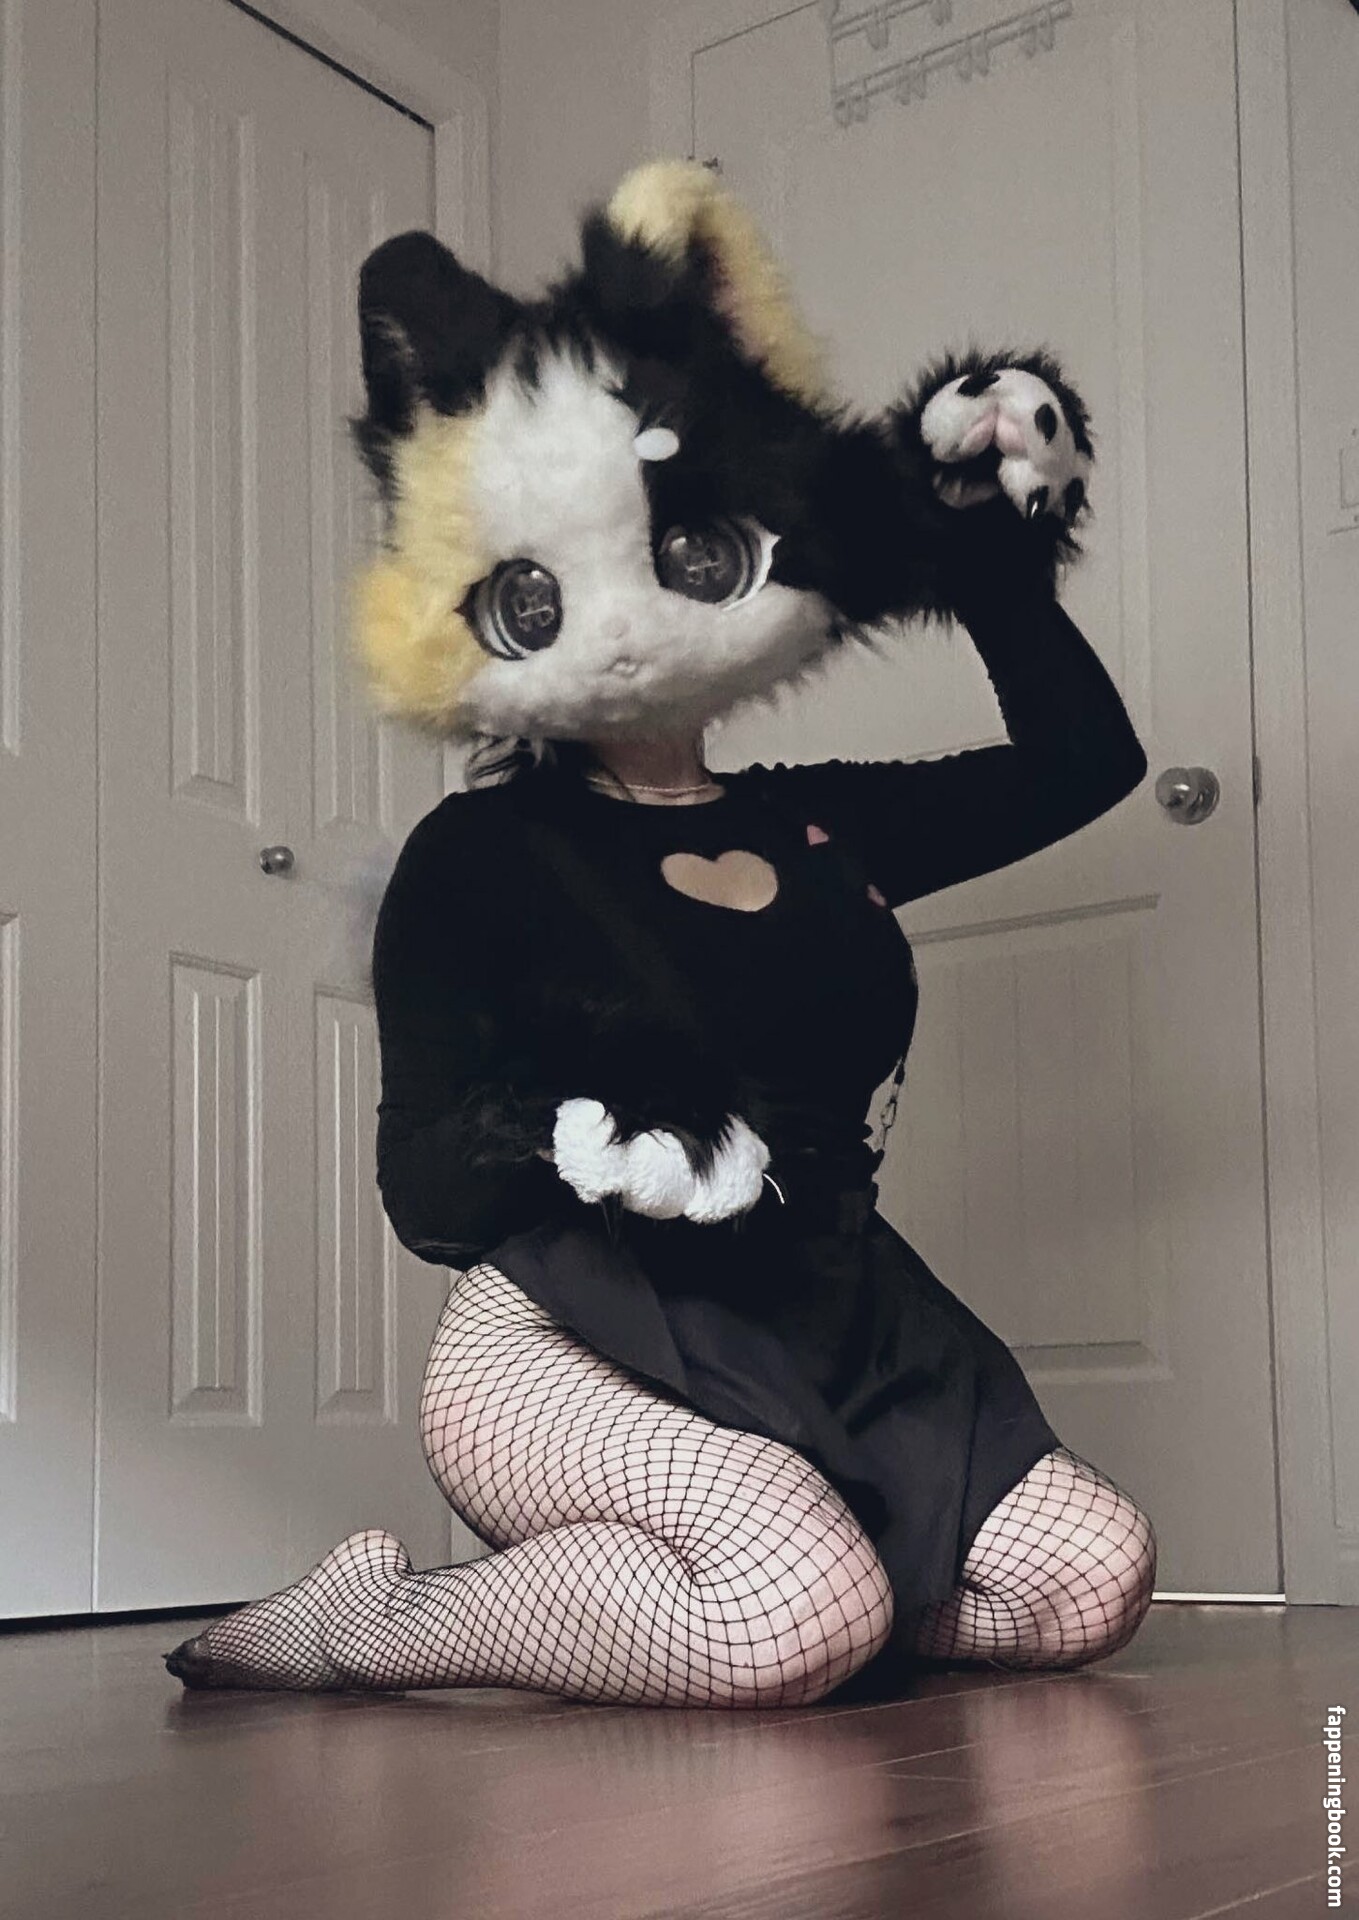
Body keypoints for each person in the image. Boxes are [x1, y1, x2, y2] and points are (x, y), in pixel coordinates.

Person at [166, 161, 1156, 1708]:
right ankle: (372, 1623)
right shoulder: (479, 856)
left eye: (685, 559)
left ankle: (791, 1595)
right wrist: (588, 1126)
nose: (631, 618)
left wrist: (980, 556)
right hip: (566, 1333)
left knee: (1093, 1579)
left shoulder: (821, 825)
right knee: (790, 1614)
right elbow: (426, 1187)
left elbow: (1086, 763)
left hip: (834, 1309)